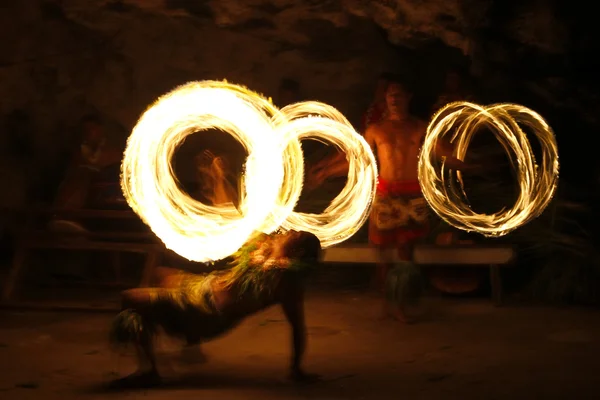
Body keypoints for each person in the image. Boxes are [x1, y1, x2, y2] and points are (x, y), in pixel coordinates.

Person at [307, 76, 468, 322]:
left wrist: (472, 165)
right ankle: (388, 301)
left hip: (412, 194)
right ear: (385, 100)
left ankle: (401, 301)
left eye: (399, 95)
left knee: (406, 252)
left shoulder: (420, 127)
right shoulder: (375, 130)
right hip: (386, 195)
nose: (394, 99)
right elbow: (357, 159)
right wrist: (326, 171)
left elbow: (446, 154)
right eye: (390, 96)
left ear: (408, 98)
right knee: (381, 252)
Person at [110, 230, 322, 387]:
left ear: (295, 251)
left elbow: (297, 327)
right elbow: (235, 216)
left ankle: (149, 371)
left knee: (129, 299)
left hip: (205, 312)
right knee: (160, 273)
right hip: (202, 286)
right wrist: (217, 177)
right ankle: (188, 340)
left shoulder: (284, 283)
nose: (289, 230)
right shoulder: (263, 249)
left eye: (295, 234)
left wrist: (296, 369)